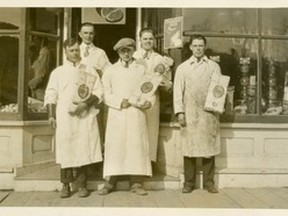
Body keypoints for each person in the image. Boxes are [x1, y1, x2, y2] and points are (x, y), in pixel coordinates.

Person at [44, 38, 103, 198]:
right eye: (71, 50)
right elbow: (51, 94)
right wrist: (51, 114)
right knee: (66, 149)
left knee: (83, 148)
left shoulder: (89, 70)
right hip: (65, 116)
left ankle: (82, 185)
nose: (75, 53)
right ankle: (66, 185)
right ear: (66, 52)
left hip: (84, 114)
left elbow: (99, 92)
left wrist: (85, 105)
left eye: (77, 50)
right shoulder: (58, 72)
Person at [98, 38, 153, 196]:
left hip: (136, 114)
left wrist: (147, 102)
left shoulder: (141, 69)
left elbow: (149, 90)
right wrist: (118, 102)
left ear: (133, 50)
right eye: (123, 51)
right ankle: (110, 182)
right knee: (116, 147)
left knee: (136, 147)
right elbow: (105, 93)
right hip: (118, 114)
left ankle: (136, 182)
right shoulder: (111, 71)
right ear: (118, 52)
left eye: (129, 50)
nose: (126, 53)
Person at [173, 34, 221, 194]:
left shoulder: (213, 66)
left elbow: (219, 89)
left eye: (201, 45)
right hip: (190, 112)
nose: (198, 48)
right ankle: (189, 183)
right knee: (189, 148)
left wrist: (217, 106)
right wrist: (179, 111)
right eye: (195, 45)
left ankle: (209, 183)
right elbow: (177, 92)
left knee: (209, 149)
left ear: (205, 47)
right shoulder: (183, 67)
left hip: (208, 113)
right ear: (190, 47)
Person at [133, 28, 173, 163]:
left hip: (153, 97)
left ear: (154, 41)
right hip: (136, 97)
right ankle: (136, 162)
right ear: (140, 40)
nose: (148, 41)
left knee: (151, 128)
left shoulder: (160, 59)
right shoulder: (134, 57)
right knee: (136, 128)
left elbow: (167, 82)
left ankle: (149, 162)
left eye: (150, 39)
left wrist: (162, 80)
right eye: (145, 39)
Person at [28, 36, 51, 101]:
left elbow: (41, 74)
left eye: (36, 41)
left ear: (41, 41)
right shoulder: (39, 54)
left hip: (40, 89)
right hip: (36, 88)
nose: (35, 43)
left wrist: (29, 84)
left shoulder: (44, 51)